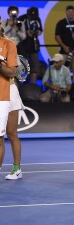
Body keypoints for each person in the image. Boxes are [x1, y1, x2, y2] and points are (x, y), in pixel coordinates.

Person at [0, 28, 18, 175]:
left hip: (6, 93)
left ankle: (17, 168)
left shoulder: (8, 44)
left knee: (11, 134)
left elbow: (12, 72)